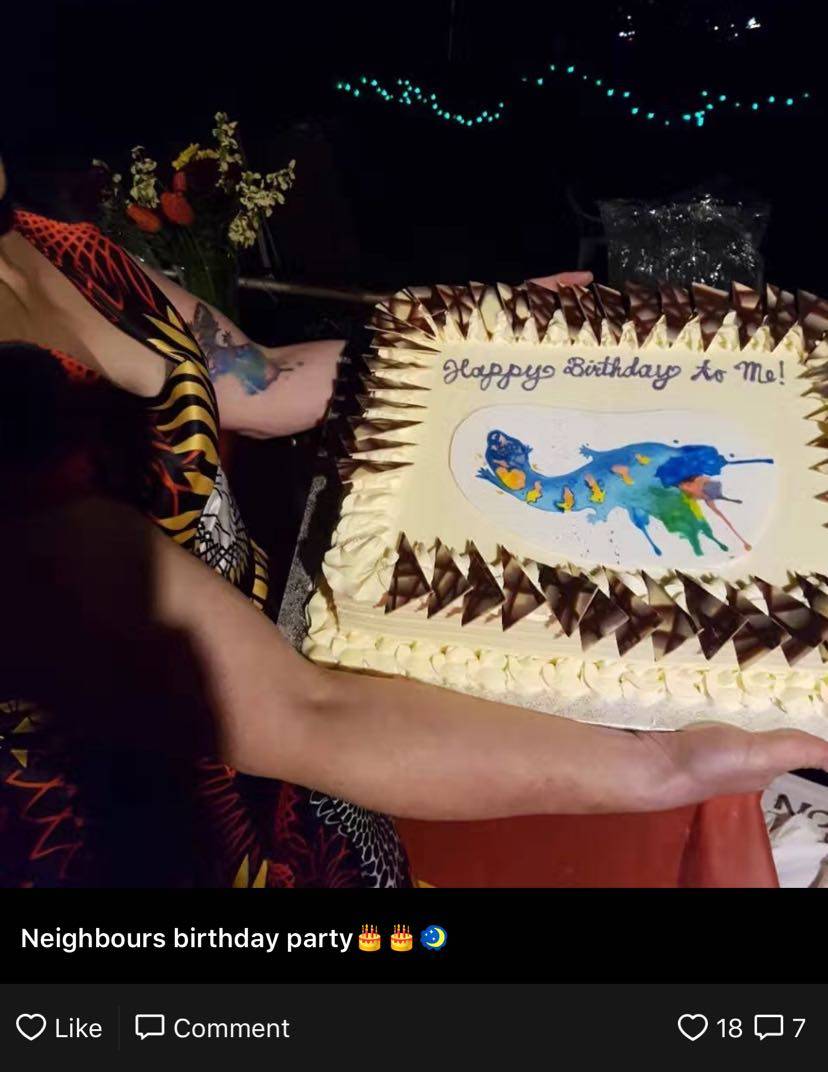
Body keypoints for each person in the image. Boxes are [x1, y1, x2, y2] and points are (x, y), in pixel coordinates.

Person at [1, 159, 827, 890]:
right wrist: (659, 765)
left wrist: (459, 362)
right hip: (157, 823)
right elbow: (310, 714)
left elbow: (260, 381)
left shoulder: (50, 245)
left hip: (294, 765)